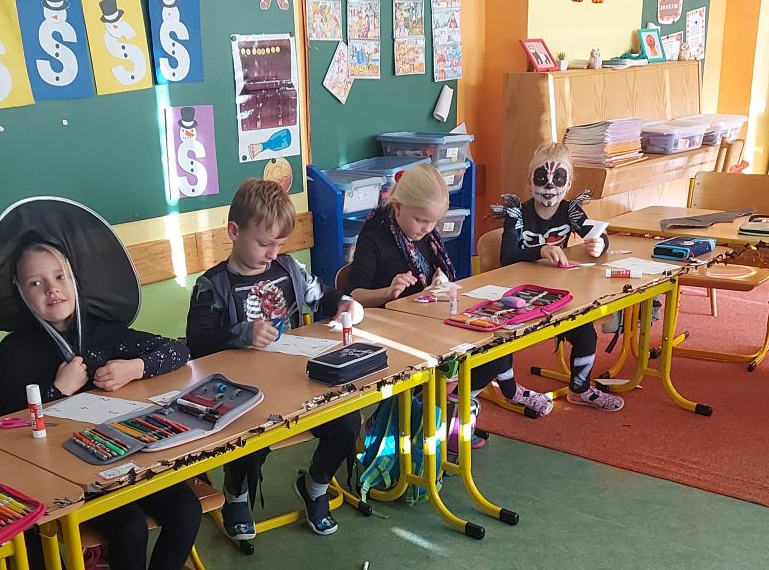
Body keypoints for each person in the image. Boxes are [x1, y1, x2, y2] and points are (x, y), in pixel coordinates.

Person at [0, 198, 202, 570]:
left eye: (59, 277)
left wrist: (135, 366)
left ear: (75, 280)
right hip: (70, 477)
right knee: (129, 527)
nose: (52, 289)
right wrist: (56, 391)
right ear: (21, 294)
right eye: (36, 283)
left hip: (129, 457)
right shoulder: (14, 352)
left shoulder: (104, 333)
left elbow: (176, 350)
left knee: (186, 509)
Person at [185, 178, 358, 538]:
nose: (272, 254)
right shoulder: (212, 285)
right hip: (244, 391)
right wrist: (241, 333)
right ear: (234, 232)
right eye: (264, 244)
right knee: (250, 436)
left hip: (296, 381)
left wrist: (343, 303)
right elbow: (197, 343)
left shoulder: (289, 269)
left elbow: (322, 295)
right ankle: (236, 494)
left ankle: (315, 486)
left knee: (347, 422)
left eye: (279, 244)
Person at [347, 164, 552, 420]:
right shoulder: (374, 240)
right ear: (398, 207)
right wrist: (387, 292)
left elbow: (430, 283)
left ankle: (455, 405)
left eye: (433, 221)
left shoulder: (427, 238)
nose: (427, 228)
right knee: (470, 355)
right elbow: (352, 296)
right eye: (421, 220)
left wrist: (439, 283)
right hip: (395, 334)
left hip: (429, 322)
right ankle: (432, 411)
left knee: (497, 341)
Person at [493, 142, 624, 412]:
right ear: (529, 181)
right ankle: (510, 390)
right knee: (504, 337)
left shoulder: (570, 211)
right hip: (517, 294)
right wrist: (540, 250)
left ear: (569, 183)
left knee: (586, 333)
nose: (550, 186)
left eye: (559, 179)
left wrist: (599, 244)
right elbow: (507, 255)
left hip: (555, 294)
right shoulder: (517, 213)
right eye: (541, 178)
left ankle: (580, 388)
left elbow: (598, 235)